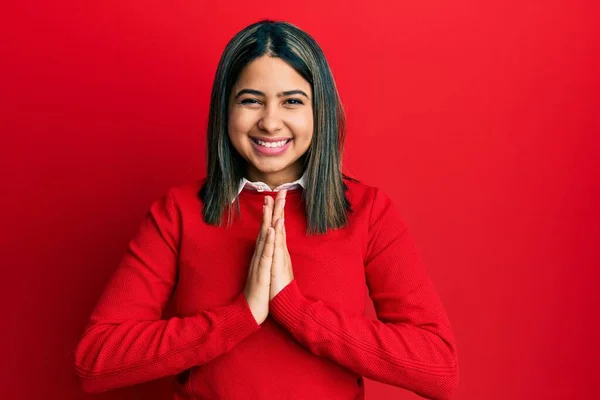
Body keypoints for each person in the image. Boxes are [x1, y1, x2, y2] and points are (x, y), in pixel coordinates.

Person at [74, 19, 459, 400]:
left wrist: (295, 309)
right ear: (225, 110)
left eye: (292, 101)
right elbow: (96, 360)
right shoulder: (178, 212)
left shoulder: (369, 211)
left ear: (318, 111)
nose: (270, 122)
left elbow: (438, 369)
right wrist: (239, 316)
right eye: (251, 100)